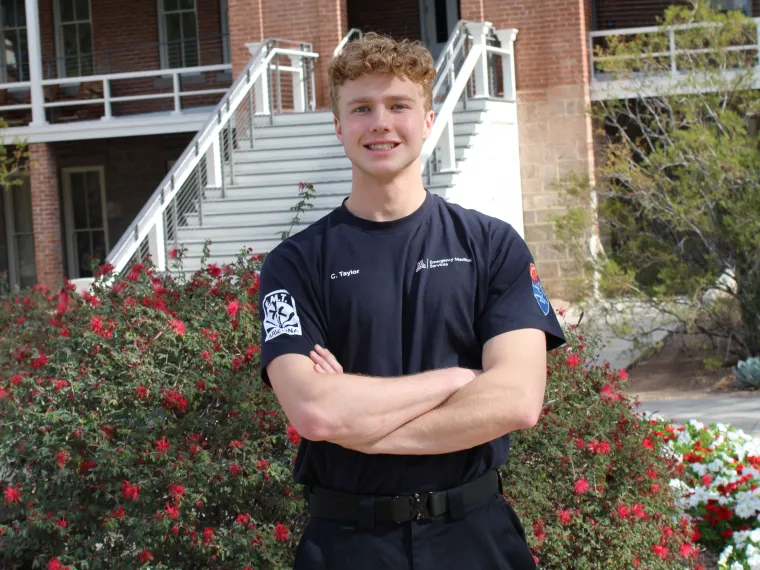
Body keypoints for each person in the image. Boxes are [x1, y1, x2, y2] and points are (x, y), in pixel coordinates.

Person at [258, 32, 566, 570]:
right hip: (347, 544)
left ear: (426, 121)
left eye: (399, 105)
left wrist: (365, 431)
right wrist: (457, 380)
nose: (380, 122)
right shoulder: (295, 263)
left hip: (475, 537)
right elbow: (314, 410)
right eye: (361, 108)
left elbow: (516, 400)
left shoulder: (491, 246)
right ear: (338, 126)